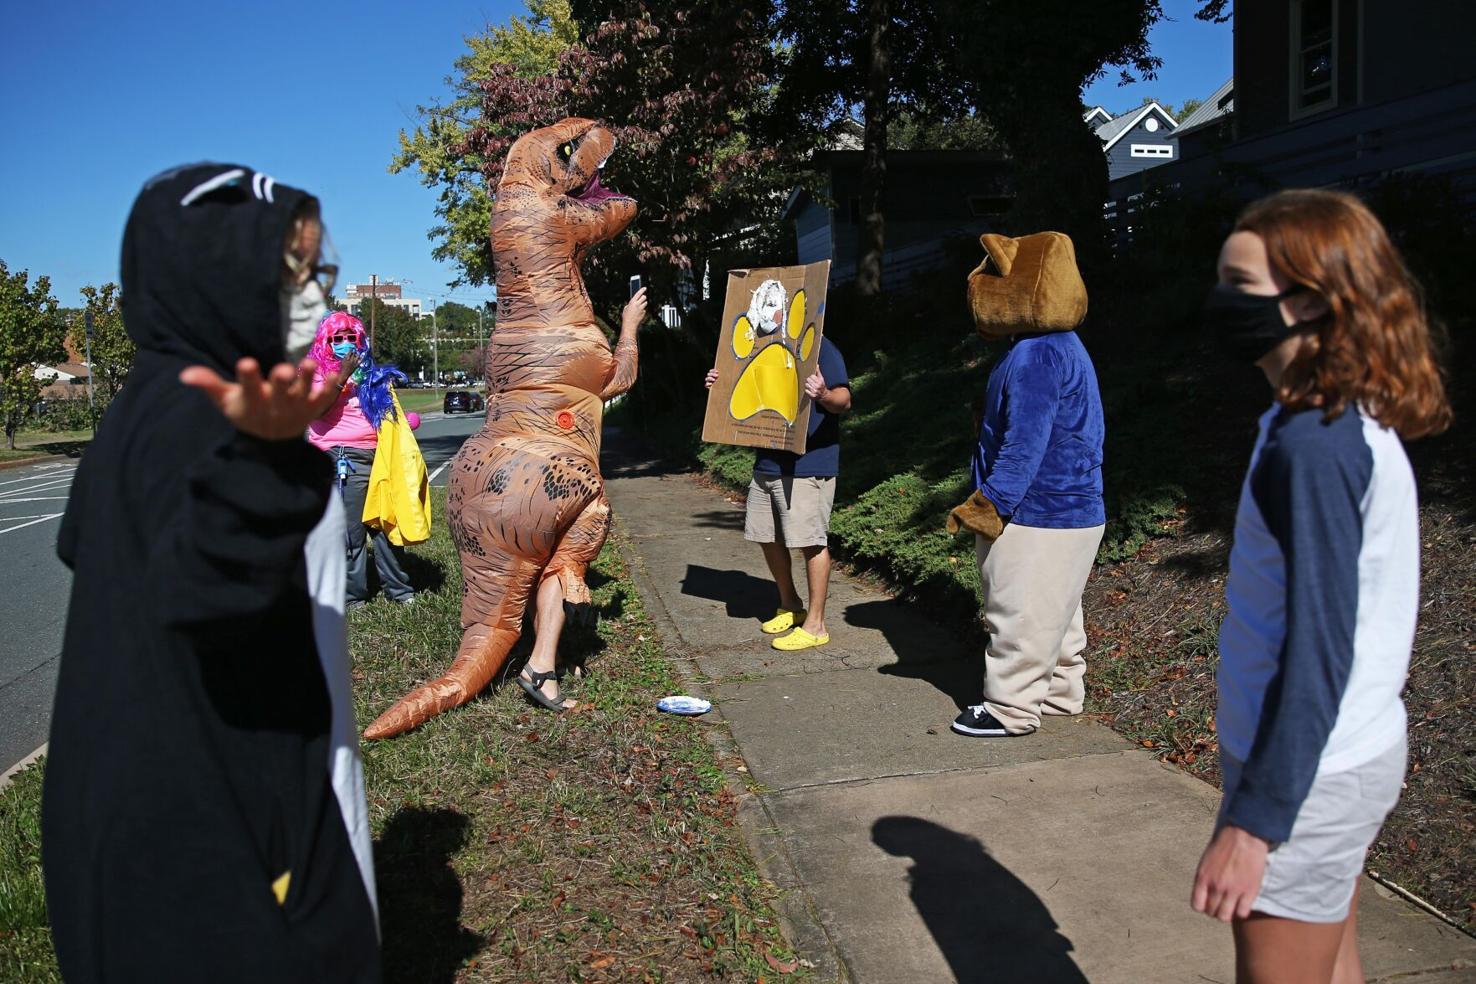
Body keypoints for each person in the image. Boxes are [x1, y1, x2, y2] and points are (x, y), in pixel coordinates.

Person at [43, 164, 381, 980]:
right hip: (211, 836)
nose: (311, 295)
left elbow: (92, 550)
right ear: (213, 277)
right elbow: (205, 591)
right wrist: (265, 466)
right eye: (291, 271)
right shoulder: (198, 420)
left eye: (316, 272)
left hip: (147, 809)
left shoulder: (153, 400)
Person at [1191, 189, 1452, 983]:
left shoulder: (1314, 444)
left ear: (1307, 302)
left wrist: (1257, 825)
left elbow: (1320, 646)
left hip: (1310, 775)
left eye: (1242, 287)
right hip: (1337, 758)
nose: (1223, 303)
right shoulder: (1326, 415)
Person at [946, 231, 1105, 738]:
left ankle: (1010, 709)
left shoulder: (1037, 354)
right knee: (1057, 611)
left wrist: (991, 503)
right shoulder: (1062, 346)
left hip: (1037, 511)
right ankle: (1060, 694)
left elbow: (1025, 443)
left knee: (1017, 611)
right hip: (1077, 508)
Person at [705, 335, 851, 651]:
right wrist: (721, 383)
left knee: (811, 541)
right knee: (765, 534)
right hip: (768, 461)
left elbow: (843, 399)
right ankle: (791, 605)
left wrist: (823, 394)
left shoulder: (821, 345)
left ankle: (816, 625)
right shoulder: (758, 346)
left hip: (809, 464)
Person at [307, 310, 418, 608]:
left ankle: (400, 590)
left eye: (350, 337)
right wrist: (341, 377)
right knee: (350, 531)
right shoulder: (316, 373)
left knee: (385, 524)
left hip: (378, 456)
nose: (345, 343)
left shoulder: (371, 374)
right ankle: (353, 595)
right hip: (342, 457)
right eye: (337, 338)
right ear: (325, 342)